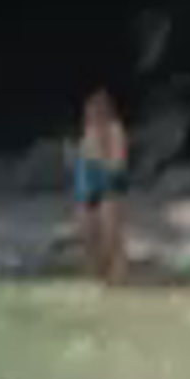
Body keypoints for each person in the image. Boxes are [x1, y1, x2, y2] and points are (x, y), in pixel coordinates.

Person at [68, 83, 138, 278]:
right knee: (88, 238)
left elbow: (117, 167)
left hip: (110, 186)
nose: (92, 112)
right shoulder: (87, 132)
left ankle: (117, 276)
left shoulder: (115, 130)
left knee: (110, 236)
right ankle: (97, 277)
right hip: (88, 188)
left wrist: (98, 156)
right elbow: (81, 170)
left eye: (98, 107)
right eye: (90, 108)